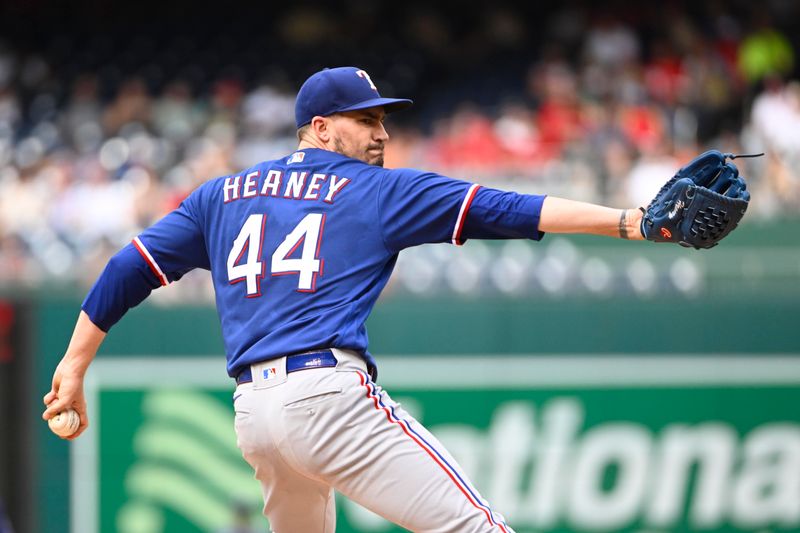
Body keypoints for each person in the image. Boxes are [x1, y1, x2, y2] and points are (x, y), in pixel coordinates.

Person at [43, 66, 651, 532]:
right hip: (328, 398)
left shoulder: (221, 195)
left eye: (384, 121)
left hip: (254, 414)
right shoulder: (376, 191)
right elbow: (511, 209)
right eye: (367, 121)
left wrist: (73, 366)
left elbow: (129, 267)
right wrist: (631, 221)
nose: (382, 134)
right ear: (322, 128)